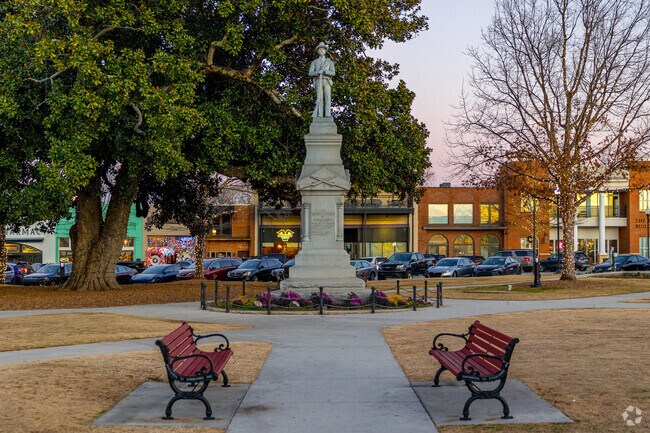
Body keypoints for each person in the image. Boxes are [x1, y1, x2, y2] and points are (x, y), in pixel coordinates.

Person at [308, 42, 336, 118]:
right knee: (319, 98)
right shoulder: (314, 62)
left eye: (323, 49)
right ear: (317, 51)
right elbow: (310, 73)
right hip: (318, 81)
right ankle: (319, 114)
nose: (321, 50)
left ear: (325, 51)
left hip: (327, 81)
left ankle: (327, 114)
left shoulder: (329, 62)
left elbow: (333, 73)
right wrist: (317, 72)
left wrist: (324, 71)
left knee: (327, 98)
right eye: (320, 49)